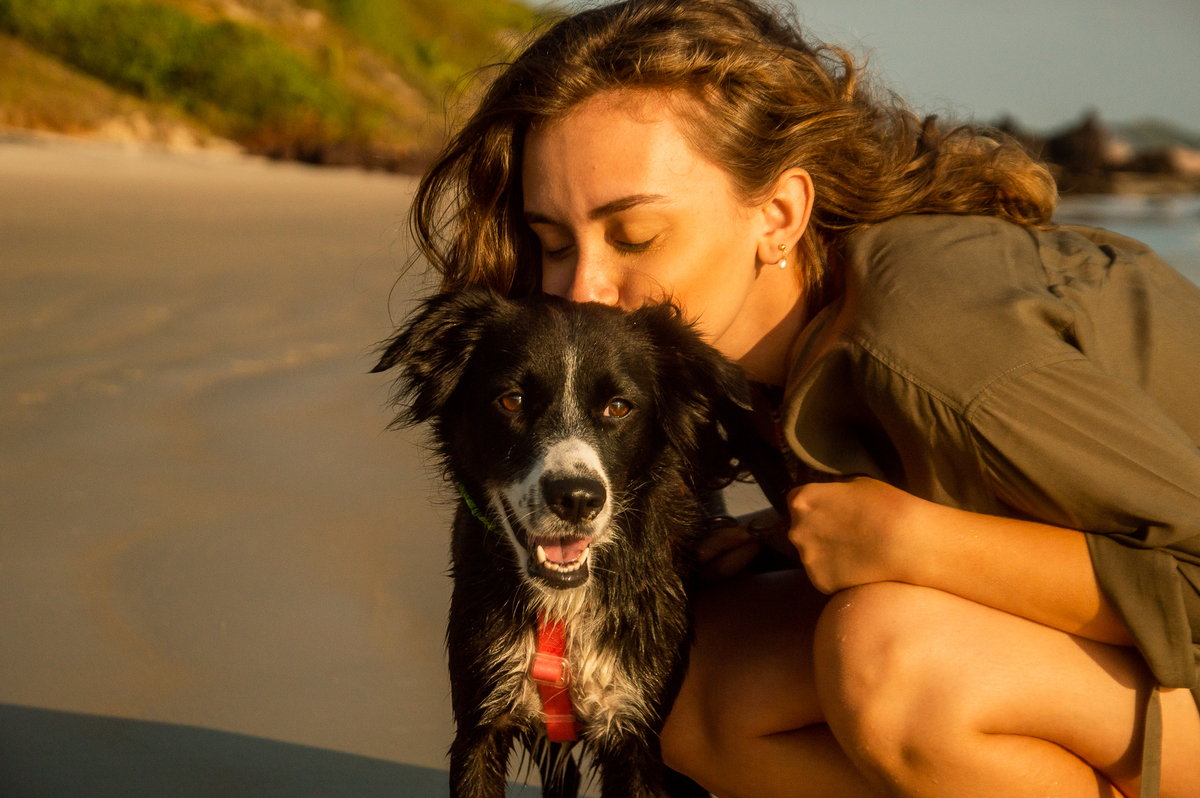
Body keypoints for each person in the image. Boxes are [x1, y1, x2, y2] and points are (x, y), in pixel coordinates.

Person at [406, 1, 1200, 795]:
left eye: (635, 238)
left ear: (780, 214)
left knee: (895, 657)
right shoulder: (753, 354)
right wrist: (786, 529)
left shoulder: (937, 345)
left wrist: (916, 542)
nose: (583, 291)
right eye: (553, 243)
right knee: (692, 690)